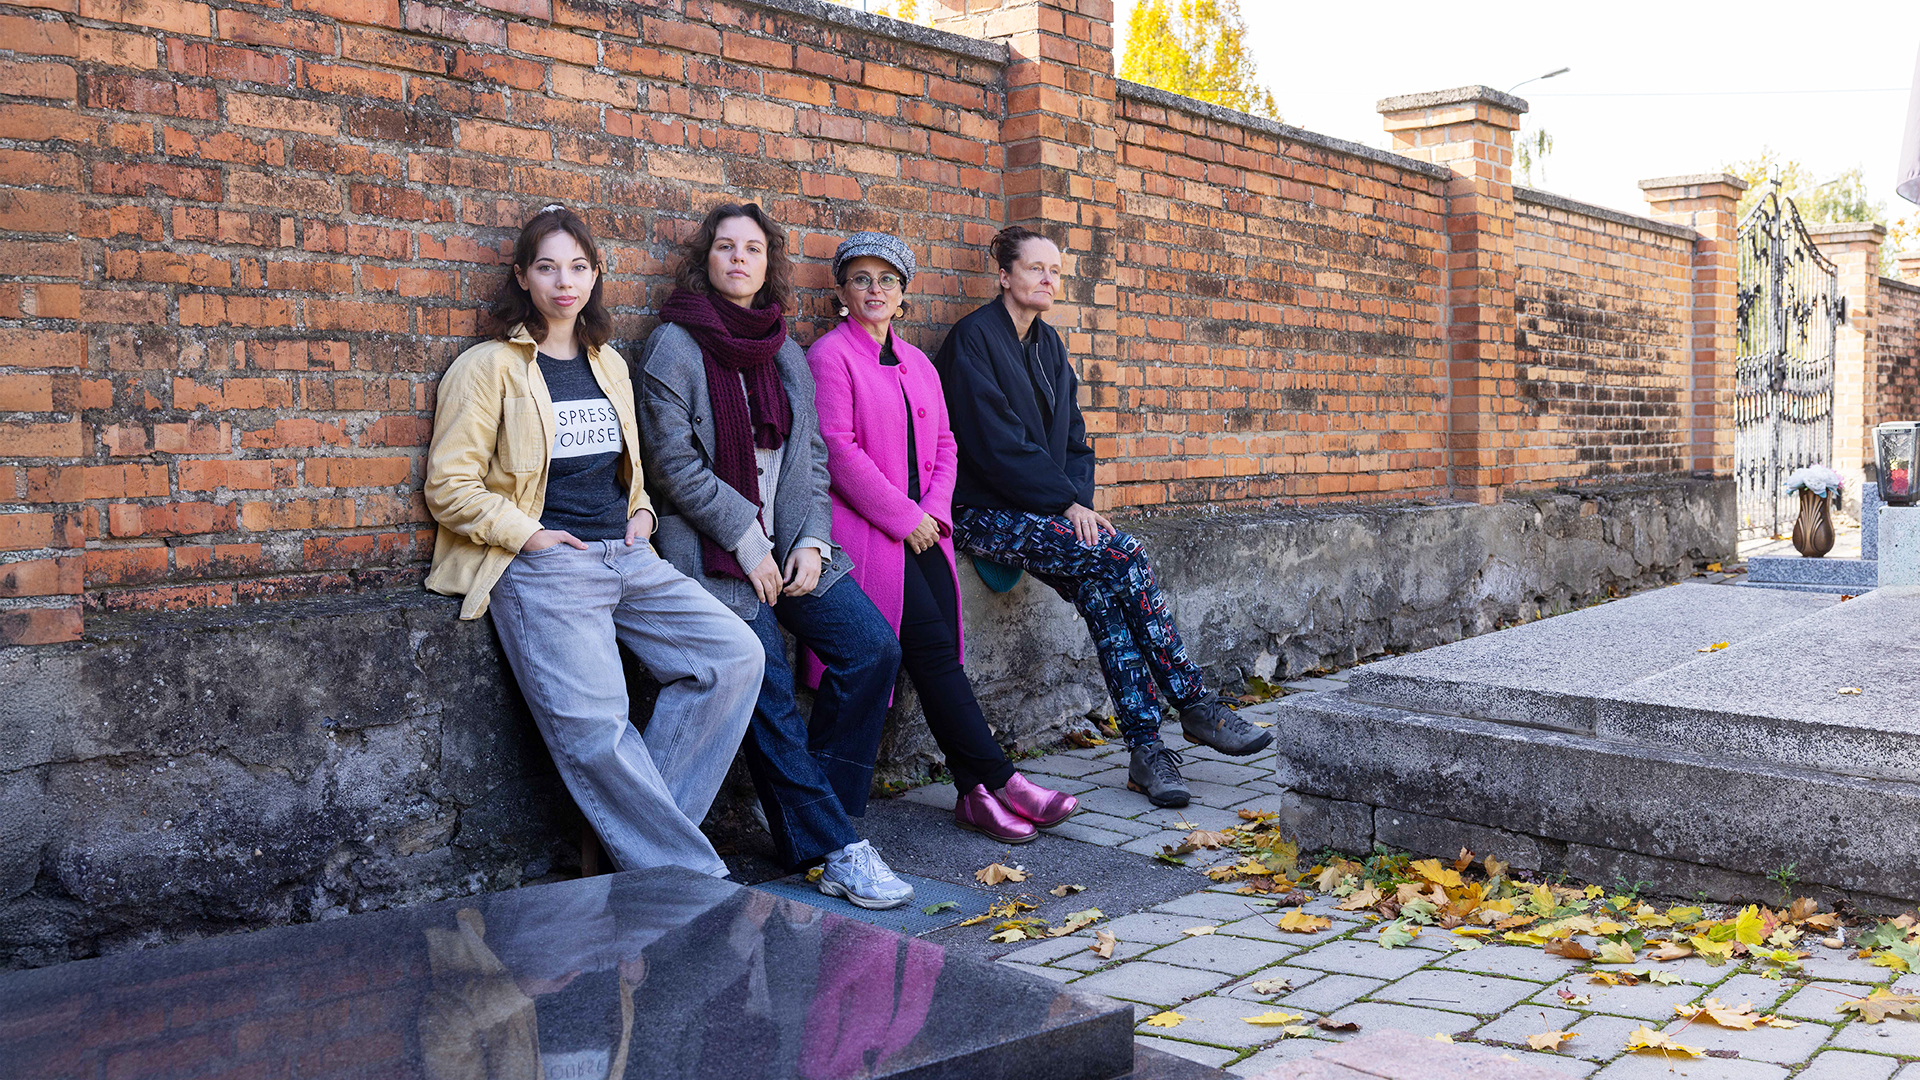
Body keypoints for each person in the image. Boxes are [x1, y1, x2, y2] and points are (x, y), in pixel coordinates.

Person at [423, 205, 763, 880]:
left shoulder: (607, 364)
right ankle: (689, 881)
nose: (563, 282)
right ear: (523, 277)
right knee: (598, 731)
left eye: (577, 267)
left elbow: (627, 468)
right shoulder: (486, 367)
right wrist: (535, 537)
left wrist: (642, 515)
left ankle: (633, 848)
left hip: (629, 555)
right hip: (548, 567)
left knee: (734, 656)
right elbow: (449, 486)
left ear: (595, 274)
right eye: (546, 267)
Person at [932, 225, 1274, 809]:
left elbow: (1074, 441)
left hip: (1047, 511)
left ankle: (1147, 751)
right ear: (1004, 275)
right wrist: (1066, 505)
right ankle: (1192, 703)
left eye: (1055, 271)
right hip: (982, 513)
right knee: (1128, 554)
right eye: (1036, 267)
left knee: (1102, 593)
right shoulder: (973, 341)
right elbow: (995, 445)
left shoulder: (1049, 346)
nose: (1048, 278)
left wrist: (1080, 506)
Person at [636, 202, 913, 910]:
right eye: (725, 247)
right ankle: (836, 847)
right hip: (715, 552)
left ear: (768, 264)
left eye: (752, 249)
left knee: (871, 648)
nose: (738, 259)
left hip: (790, 548)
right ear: (707, 259)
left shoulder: (784, 350)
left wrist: (812, 544)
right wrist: (746, 539)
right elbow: (672, 465)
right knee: (766, 676)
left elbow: (812, 462)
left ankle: (818, 819)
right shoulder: (674, 344)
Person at [805, 231, 1078, 845]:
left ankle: (978, 792)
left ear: (903, 295)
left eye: (888, 281)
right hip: (872, 536)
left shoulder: (919, 362)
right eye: (862, 280)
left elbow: (947, 446)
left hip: (925, 532)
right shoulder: (829, 357)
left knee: (937, 659)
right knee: (931, 653)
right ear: (842, 292)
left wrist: (931, 512)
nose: (876, 291)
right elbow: (837, 452)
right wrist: (905, 517)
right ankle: (998, 782)